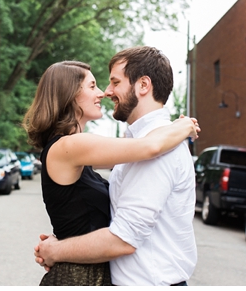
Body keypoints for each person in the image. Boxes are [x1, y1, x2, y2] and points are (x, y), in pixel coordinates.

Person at [23, 60, 198, 286]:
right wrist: (184, 126)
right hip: (77, 278)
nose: (102, 93)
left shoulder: (76, 151)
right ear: (70, 94)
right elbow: (149, 148)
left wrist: (60, 245)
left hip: (91, 274)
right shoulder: (70, 146)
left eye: (109, 83)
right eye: (92, 86)